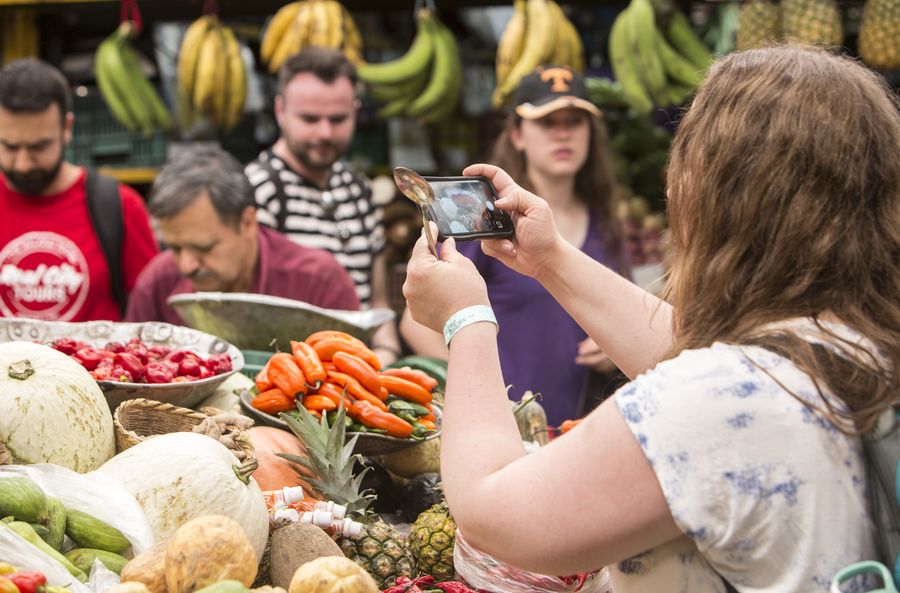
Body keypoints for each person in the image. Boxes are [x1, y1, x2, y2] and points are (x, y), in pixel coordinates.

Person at [403, 47, 899, 591]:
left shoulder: (715, 401)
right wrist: (551, 259)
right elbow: (695, 351)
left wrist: (465, 319)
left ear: (723, 197)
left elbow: (490, 511)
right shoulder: (855, 345)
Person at [400, 65, 630, 426]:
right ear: (517, 135)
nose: (564, 134)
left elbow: (622, 314)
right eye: (547, 122)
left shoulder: (607, 225)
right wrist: (484, 395)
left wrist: (612, 346)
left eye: (575, 121)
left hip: (573, 437)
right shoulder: (484, 219)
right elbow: (415, 324)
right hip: (499, 432)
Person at [245, 47, 401, 364]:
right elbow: (253, 314)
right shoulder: (260, 190)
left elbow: (377, 301)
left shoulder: (359, 191)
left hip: (361, 367)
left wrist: (386, 355)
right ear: (280, 110)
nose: (325, 132)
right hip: (296, 370)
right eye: (310, 119)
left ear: (356, 111)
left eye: (338, 119)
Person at [125, 146, 360, 325]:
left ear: (247, 222)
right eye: (175, 248)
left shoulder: (318, 282)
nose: (187, 265)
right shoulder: (156, 284)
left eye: (204, 248)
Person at [0, 58, 158, 322]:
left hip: (91, 363)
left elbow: (151, 312)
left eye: (39, 147)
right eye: (10, 147)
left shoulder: (118, 206)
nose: (24, 163)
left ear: (67, 128)